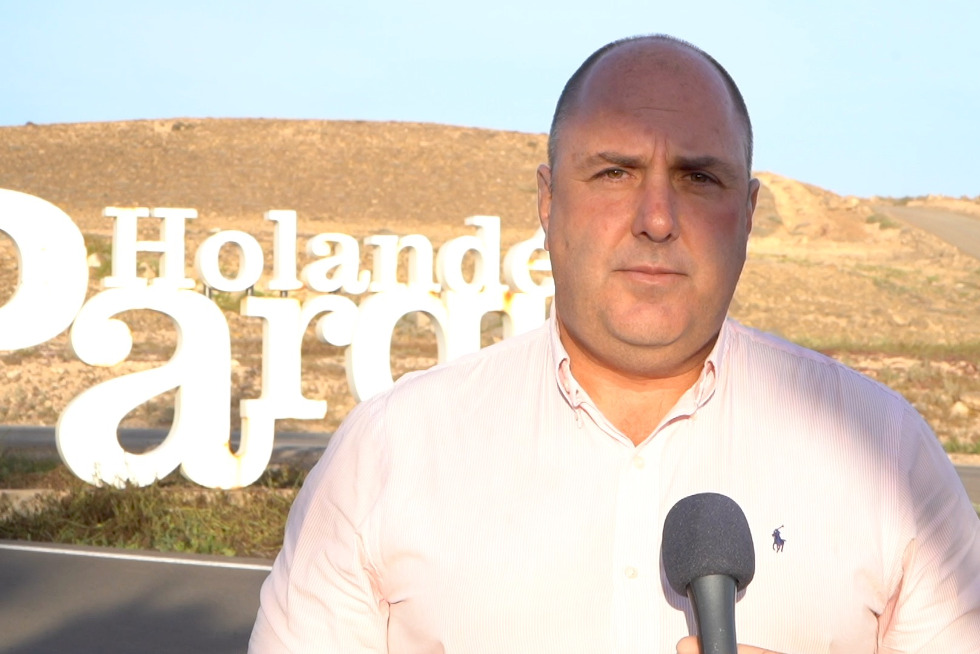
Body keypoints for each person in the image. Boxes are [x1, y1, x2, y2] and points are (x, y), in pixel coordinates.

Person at [249, 34, 980, 653]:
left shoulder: (890, 461)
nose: (656, 219)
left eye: (699, 178)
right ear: (547, 201)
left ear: (750, 213)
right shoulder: (387, 454)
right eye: (614, 173)